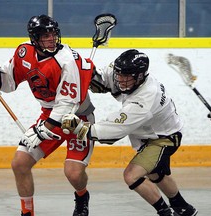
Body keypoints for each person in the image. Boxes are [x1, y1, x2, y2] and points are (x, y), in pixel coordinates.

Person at [0, 14, 95, 216]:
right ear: (34, 39)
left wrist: (40, 131)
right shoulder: (23, 52)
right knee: (19, 164)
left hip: (77, 120)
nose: (51, 39)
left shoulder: (67, 60)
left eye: (53, 34)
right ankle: (27, 213)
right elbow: (8, 79)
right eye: (45, 35)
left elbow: (67, 105)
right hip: (49, 116)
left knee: (73, 173)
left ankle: (82, 196)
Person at [61, 49, 198, 216]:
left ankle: (165, 213)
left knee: (132, 176)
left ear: (140, 76)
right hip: (151, 134)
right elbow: (102, 80)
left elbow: (112, 132)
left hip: (164, 139)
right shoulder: (124, 72)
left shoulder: (145, 99)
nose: (120, 80)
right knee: (156, 173)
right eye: (119, 74)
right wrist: (85, 72)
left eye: (126, 77)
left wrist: (79, 127)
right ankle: (184, 208)